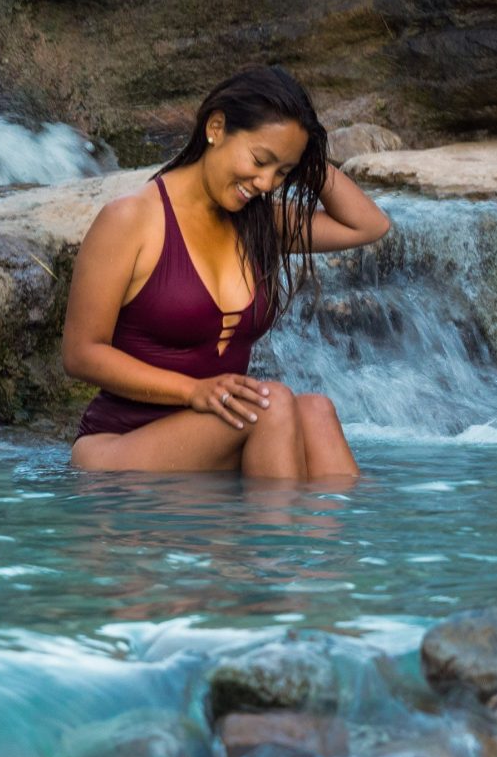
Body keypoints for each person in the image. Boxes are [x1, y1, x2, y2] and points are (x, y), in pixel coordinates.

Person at [64, 66, 391, 478]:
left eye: (281, 173)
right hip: (122, 444)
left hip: (225, 429)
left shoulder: (260, 223)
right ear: (216, 127)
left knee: (316, 411)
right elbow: (80, 353)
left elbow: (368, 225)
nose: (266, 182)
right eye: (260, 160)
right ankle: (277, 538)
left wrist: (308, 160)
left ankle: (341, 543)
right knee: (269, 404)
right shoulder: (130, 220)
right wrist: (194, 391)